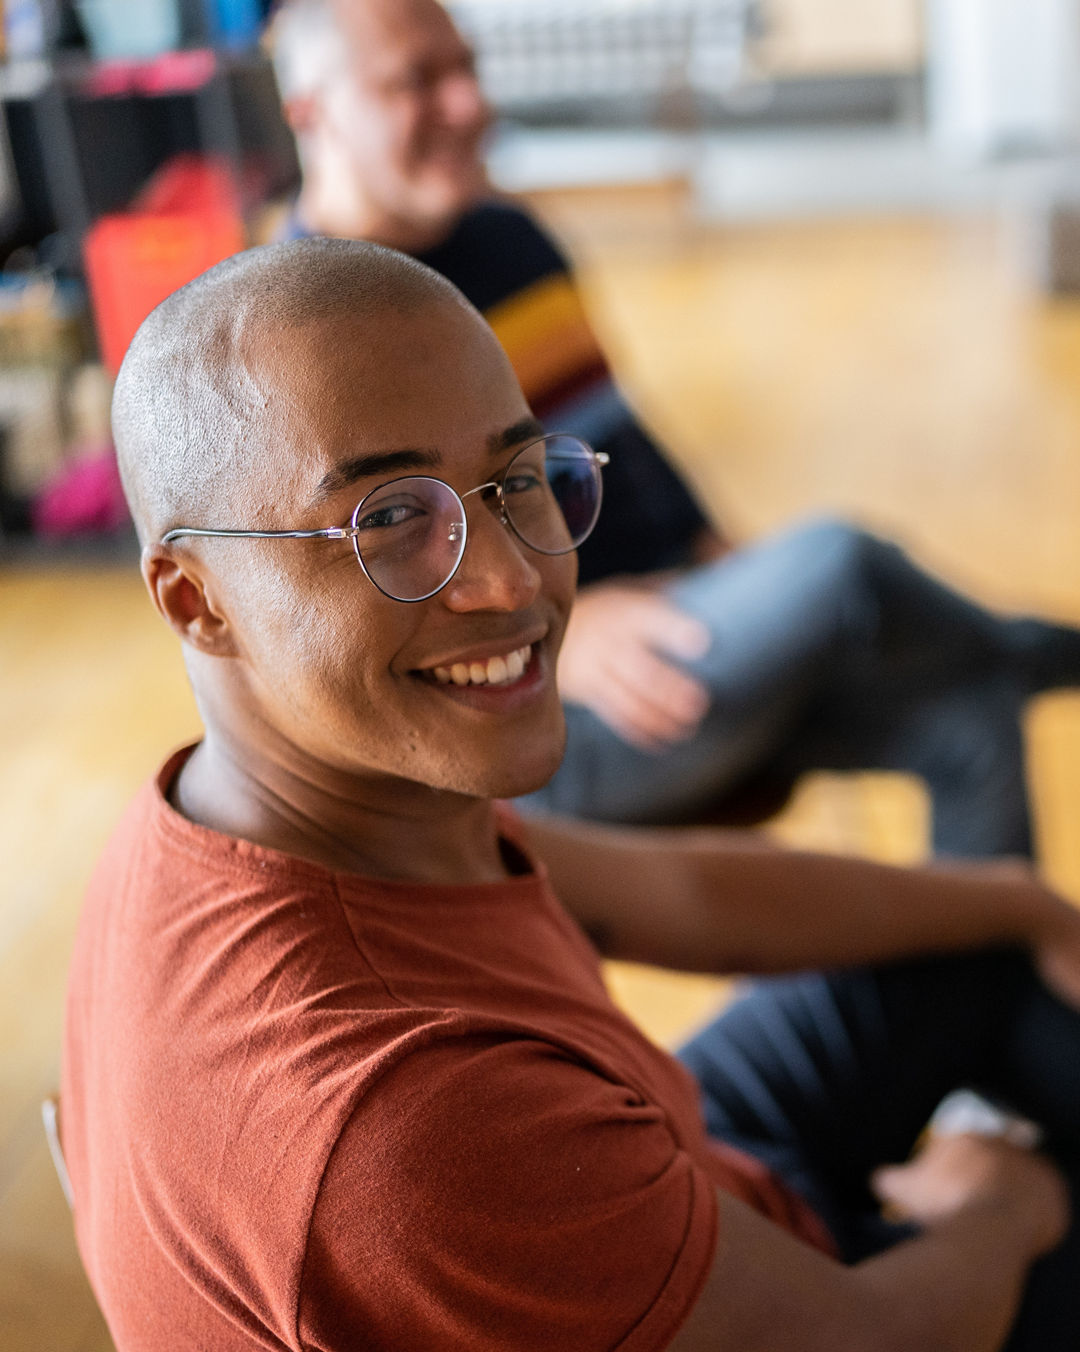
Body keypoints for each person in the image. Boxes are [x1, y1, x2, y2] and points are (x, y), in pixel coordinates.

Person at [63, 237, 1080, 1350]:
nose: (510, 577)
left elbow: (678, 891)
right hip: (705, 1264)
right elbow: (868, 1336)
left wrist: (1017, 895)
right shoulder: (409, 1125)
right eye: (390, 519)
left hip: (674, 1182)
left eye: (516, 479)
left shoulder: (256, 806)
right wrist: (1003, 1200)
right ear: (195, 597)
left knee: (981, 939)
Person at [266, 0, 1080, 858]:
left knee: (972, 721)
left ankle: (996, 990)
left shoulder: (509, 243)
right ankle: (1054, 653)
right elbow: (341, 629)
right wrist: (558, 633)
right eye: (417, 81)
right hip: (536, 711)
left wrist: (716, 551)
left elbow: (612, 439)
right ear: (311, 114)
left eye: (467, 68)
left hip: (680, 631)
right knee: (839, 562)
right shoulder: (306, 340)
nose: (470, 104)